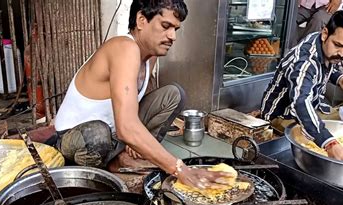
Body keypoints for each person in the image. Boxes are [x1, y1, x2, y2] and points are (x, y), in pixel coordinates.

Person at [54, 0, 229, 189]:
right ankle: (109, 168)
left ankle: (128, 155)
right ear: (141, 20)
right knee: (97, 135)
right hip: (76, 138)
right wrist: (179, 169)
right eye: (165, 26)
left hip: (113, 133)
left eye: (175, 29)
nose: (172, 36)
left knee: (173, 94)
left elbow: (132, 105)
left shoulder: (150, 56)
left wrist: (134, 137)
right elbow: (126, 127)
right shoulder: (123, 47)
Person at [260, 10, 343, 162]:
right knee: (326, 139)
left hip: (310, 105)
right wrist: (330, 143)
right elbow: (300, 103)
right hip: (282, 117)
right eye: (338, 45)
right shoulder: (304, 62)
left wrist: (340, 78)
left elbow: (328, 65)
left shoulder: (321, 42)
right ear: (325, 33)